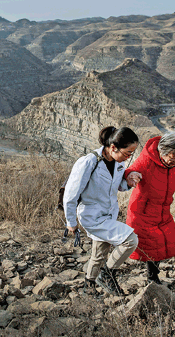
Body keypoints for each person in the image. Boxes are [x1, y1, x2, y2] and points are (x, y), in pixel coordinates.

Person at [63, 126, 140, 295]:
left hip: (109, 214)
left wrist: (129, 181)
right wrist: (71, 222)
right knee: (131, 240)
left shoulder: (118, 163)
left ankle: (88, 287)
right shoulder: (88, 162)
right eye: (127, 153)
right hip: (92, 216)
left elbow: (118, 186)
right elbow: (70, 195)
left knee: (99, 252)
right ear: (113, 147)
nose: (128, 157)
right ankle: (107, 274)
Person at [124, 132, 175, 284]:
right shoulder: (147, 160)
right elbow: (131, 170)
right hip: (142, 211)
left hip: (162, 211)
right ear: (163, 152)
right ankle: (110, 272)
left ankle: (153, 276)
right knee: (146, 245)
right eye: (174, 157)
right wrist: (132, 176)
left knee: (162, 243)